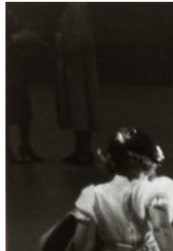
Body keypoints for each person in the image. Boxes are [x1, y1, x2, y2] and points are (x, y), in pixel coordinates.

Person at [55, 2, 101, 165]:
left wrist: (65, 47)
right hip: (75, 68)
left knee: (81, 108)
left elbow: (82, 38)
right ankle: (80, 149)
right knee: (77, 110)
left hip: (78, 68)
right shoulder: (74, 7)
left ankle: (84, 150)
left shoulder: (78, 6)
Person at [6, 3, 46, 163]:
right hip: (8, 69)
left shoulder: (13, 14)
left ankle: (25, 144)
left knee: (23, 108)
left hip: (18, 69)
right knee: (8, 110)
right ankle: (7, 148)